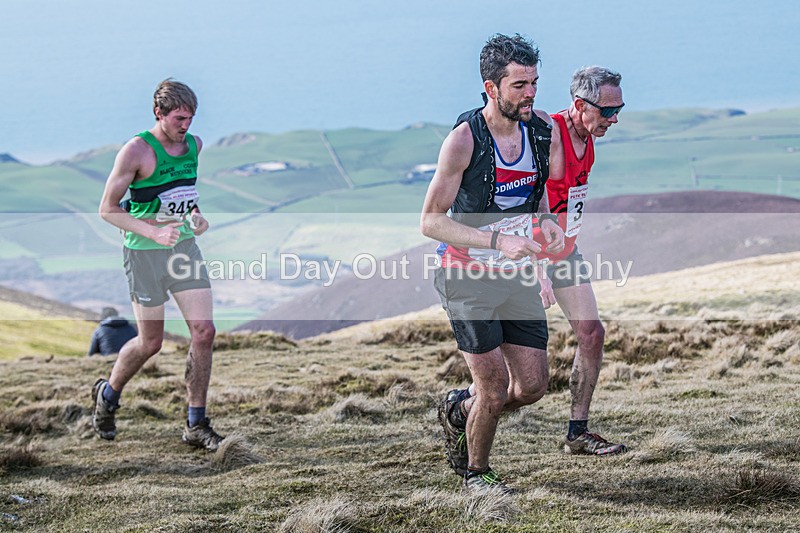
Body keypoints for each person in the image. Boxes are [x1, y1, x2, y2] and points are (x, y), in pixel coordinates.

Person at [421, 34, 564, 493]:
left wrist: (546, 226)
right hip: (466, 277)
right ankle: (476, 475)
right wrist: (497, 240)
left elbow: (536, 201)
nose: (531, 93)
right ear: (491, 87)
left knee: (533, 386)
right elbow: (429, 221)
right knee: (495, 387)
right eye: (520, 84)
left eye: (535, 83)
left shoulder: (539, 131)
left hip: (516, 275)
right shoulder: (463, 141)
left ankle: (461, 408)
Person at [92, 79, 223, 451]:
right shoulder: (136, 151)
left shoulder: (194, 146)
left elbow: (184, 196)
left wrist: (197, 218)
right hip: (144, 254)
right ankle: (108, 394)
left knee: (204, 331)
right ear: (159, 114)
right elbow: (108, 210)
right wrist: (151, 232)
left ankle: (196, 424)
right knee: (151, 343)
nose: (187, 126)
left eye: (191, 118)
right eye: (180, 118)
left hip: (183, 249)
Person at [532, 66, 627, 456]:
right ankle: (464, 407)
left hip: (565, 253)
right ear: (578, 105)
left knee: (592, 334)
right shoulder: (552, 133)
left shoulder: (588, 137)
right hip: (529, 256)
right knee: (525, 380)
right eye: (607, 110)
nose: (614, 118)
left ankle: (577, 432)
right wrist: (537, 268)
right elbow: (530, 199)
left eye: (619, 108)